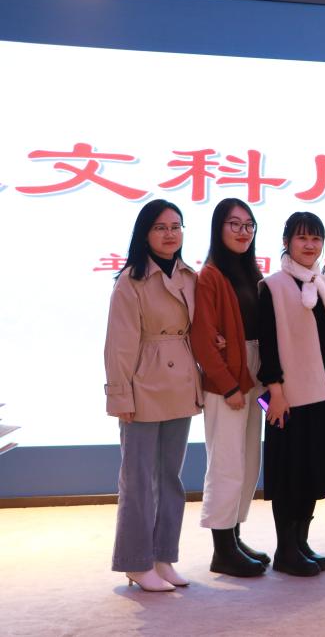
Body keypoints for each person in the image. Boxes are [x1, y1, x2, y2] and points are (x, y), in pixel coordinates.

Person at [104, 199, 202, 592]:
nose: (170, 234)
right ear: (145, 234)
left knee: (170, 479)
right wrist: (120, 396)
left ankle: (163, 557)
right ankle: (135, 562)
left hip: (181, 384)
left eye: (176, 226)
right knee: (138, 480)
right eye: (160, 227)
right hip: (143, 384)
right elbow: (119, 346)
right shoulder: (131, 281)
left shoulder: (189, 276)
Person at [258, 211, 325, 577]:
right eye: (302, 238)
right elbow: (266, 345)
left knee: (312, 472)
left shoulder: (321, 282)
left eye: (316, 238)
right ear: (287, 242)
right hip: (289, 397)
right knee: (289, 475)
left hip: (322, 393)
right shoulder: (273, 285)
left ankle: (301, 542)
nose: (310, 245)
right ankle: (285, 550)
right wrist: (275, 392)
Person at [191, 198, 269, 577]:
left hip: (256, 374)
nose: (243, 231)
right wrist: (227, 386)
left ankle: (234, 536)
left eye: (248, 225)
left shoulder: (254, 273)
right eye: (234, 224)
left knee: (250, 460)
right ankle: (221, 550)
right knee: (226, 462)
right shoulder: (208, 276)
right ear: (218, 228)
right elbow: (204, 339)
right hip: (228, 378)